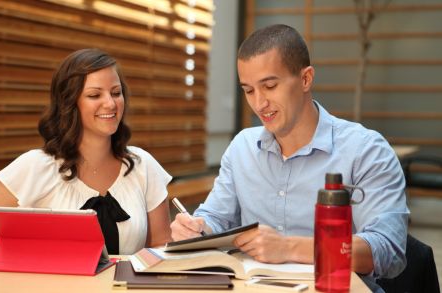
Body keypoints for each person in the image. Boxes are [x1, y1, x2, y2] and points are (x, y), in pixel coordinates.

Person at [170, 24, 409, 291]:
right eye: (249, 91)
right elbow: (216, 219)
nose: (259, 103)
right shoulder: (242, 148)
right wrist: (197, 228)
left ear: (306, 79)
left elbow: (388, 250)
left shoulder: (365, 150)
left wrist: (288, 247)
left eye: (270, 86)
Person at [0, 48, 172, 262]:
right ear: (69, 103)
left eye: (116, 93)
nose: (111, 103)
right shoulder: (34, 167)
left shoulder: (143, 165)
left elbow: (161, 250)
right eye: (95, 95)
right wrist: (16, 240)